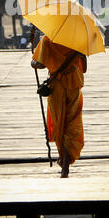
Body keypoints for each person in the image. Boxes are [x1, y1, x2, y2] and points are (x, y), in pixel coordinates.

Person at [31, 35, 87, 178]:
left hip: (57, 87)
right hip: (74, 84)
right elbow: (84, 68)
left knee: (59, 122)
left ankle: (64, 161)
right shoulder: (78, 39)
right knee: (72, 121)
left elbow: (40, 64)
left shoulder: (47, 40)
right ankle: (65, 161)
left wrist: (33, 61)